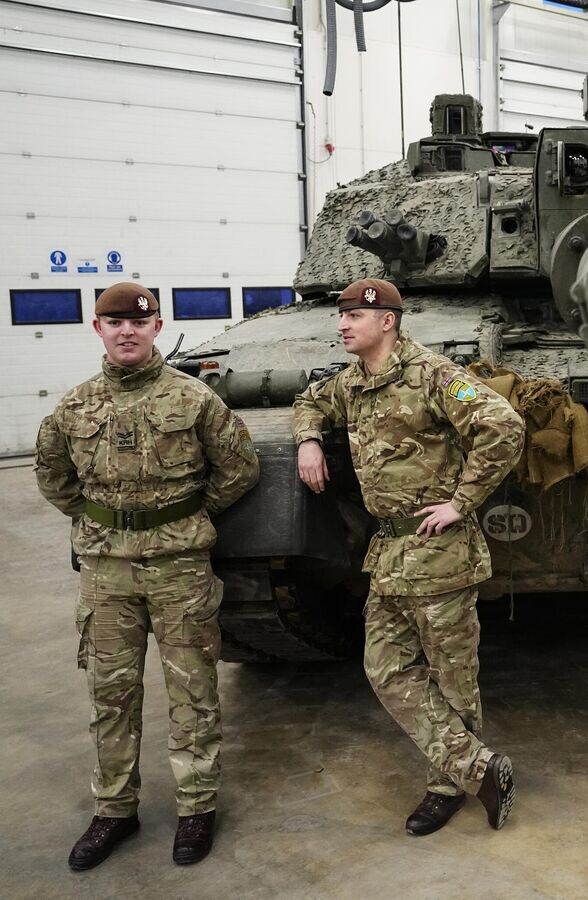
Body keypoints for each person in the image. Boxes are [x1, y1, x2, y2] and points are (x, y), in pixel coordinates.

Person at [34, 282, 260, 870]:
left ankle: (197, 807)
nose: (127, 331)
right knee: (110, 693)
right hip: (106, 571)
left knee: (193, 691)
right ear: (99, 330)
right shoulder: (73, 407)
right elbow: (55, 479)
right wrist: (105, 524)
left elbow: (239, 466)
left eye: (139, 322)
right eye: (115, 323)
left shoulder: (196, 399)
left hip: (180, 566)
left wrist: (186, 518)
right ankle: (114, 810)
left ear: (157, 326)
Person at [292, 278, 523, 835]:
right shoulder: (350, 383)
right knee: (385, 668)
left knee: (452, 676)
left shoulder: (438, 377)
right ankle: (478, 767)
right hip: (390, 554)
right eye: (340, 316)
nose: (342, 325)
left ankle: (449, 787)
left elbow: (504, 426)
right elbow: (307, 401)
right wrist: (308, 440)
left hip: (440, 552)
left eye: (352, 317)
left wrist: (462, 502)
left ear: (386, 321)